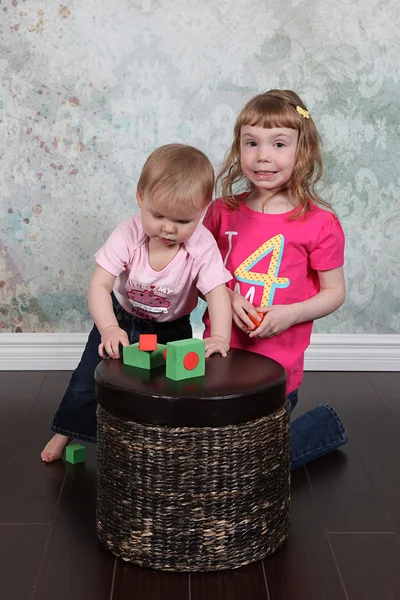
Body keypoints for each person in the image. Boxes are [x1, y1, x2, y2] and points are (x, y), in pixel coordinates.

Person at [41, 143, 232, 462]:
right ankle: (65, 432)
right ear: (140, 196)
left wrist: (220, 336)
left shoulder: (201, 245)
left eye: (183, 221)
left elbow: (217, 293)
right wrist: (108, 329)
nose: (168, 228)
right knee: (89, 380)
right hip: (122, 319)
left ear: (202, 210)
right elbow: (99, 285)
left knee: (171, 390)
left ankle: (155, 448)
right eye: (158, 216)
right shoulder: (128, 234)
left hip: (172, 328)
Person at [203, 89, 348, 470]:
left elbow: (334, 292)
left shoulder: (319, 223)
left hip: (276, 370)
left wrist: (290, 314)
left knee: (249, 466)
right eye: (251, 142)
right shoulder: (223, 212)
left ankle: (322, 429)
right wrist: (228, 299)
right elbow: (201, 275)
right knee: (215, 455)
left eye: (279, 143)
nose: (263, 155)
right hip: (222, 357)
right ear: (239, 149)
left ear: (303, 150)